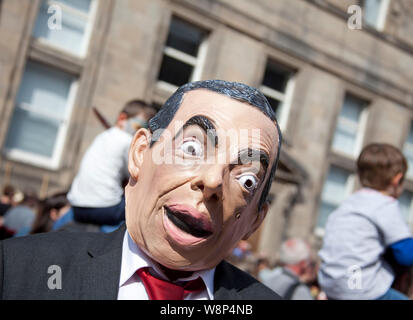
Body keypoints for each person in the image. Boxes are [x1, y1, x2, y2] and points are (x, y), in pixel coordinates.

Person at [0, 80, 282, 300]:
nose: (212, 181)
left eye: (247, 180)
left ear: (255, 221)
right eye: (191, 148)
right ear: (139, 154)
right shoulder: (16, 269)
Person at [318, 143, 413, 300]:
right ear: (397, 180)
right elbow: (406, 254)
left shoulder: (348, 204)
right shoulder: (384, 204)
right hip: (361, 288)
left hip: (331, 286)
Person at [67, 100, 157, 227]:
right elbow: (135, 173)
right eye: (138, 127)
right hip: (105, 208)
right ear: (122, 118)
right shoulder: (127, 141)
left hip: (77, 206)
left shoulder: (102, 136)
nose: (142, 134)